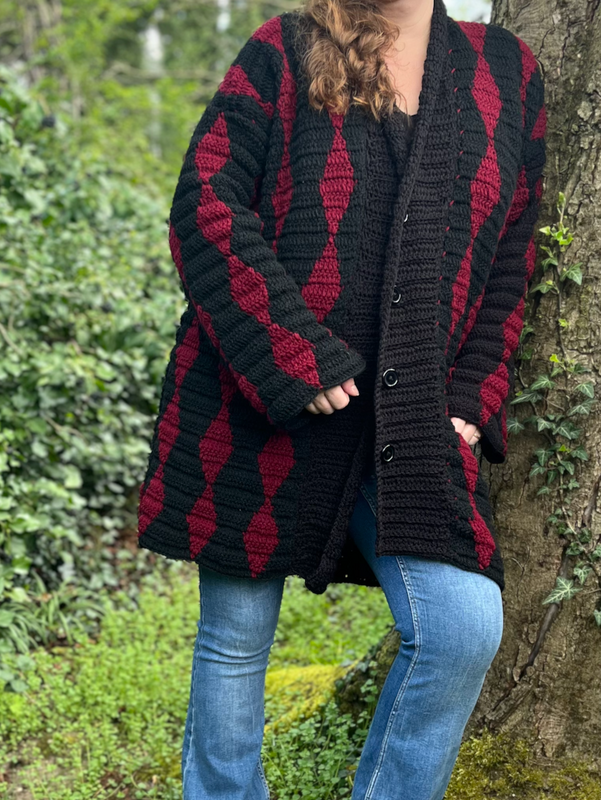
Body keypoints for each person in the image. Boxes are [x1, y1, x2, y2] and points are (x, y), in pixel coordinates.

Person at [137, 0, 547, 796]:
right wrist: (291, 352)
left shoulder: (505, 71)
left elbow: (510, 251)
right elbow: (206, 207)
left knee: (461, 628)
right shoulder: (284, 48)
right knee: (235, 641)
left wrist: (474, 390)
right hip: (256, 402)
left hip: (412, 415)